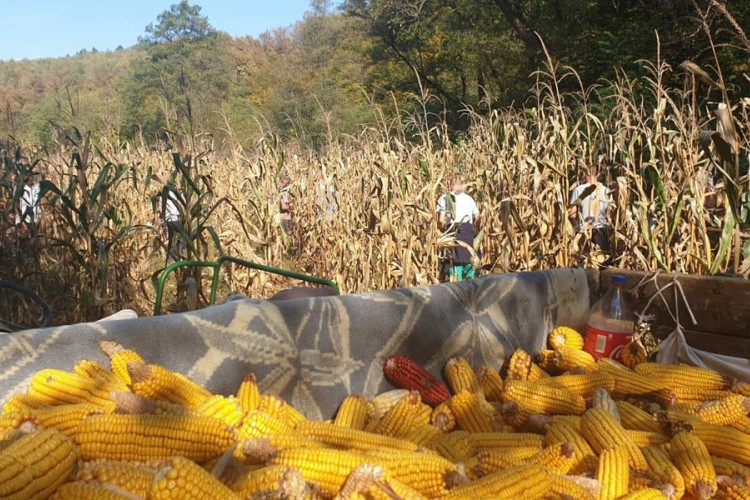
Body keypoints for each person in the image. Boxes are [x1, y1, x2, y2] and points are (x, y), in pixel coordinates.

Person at [436, 175, 481, 282]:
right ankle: (470, 287)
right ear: (461, 185)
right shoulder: (469, 199)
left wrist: (441, 228)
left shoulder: (445, 198)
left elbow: (441, 221)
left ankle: (457, 285)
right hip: (468, 232)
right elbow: (478, 218)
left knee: (455, 262)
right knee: (469, 261)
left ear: (451, 186)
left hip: (452, 232)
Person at [569, 164, 613, 260]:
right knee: (601, 261)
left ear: (584, 173)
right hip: (601, 231)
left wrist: (576, 229)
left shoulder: (578, 190)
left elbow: (572, 214)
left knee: (585, 262)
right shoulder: (606, 190)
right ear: (598, 175)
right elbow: (610, 214)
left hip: (583, 231)